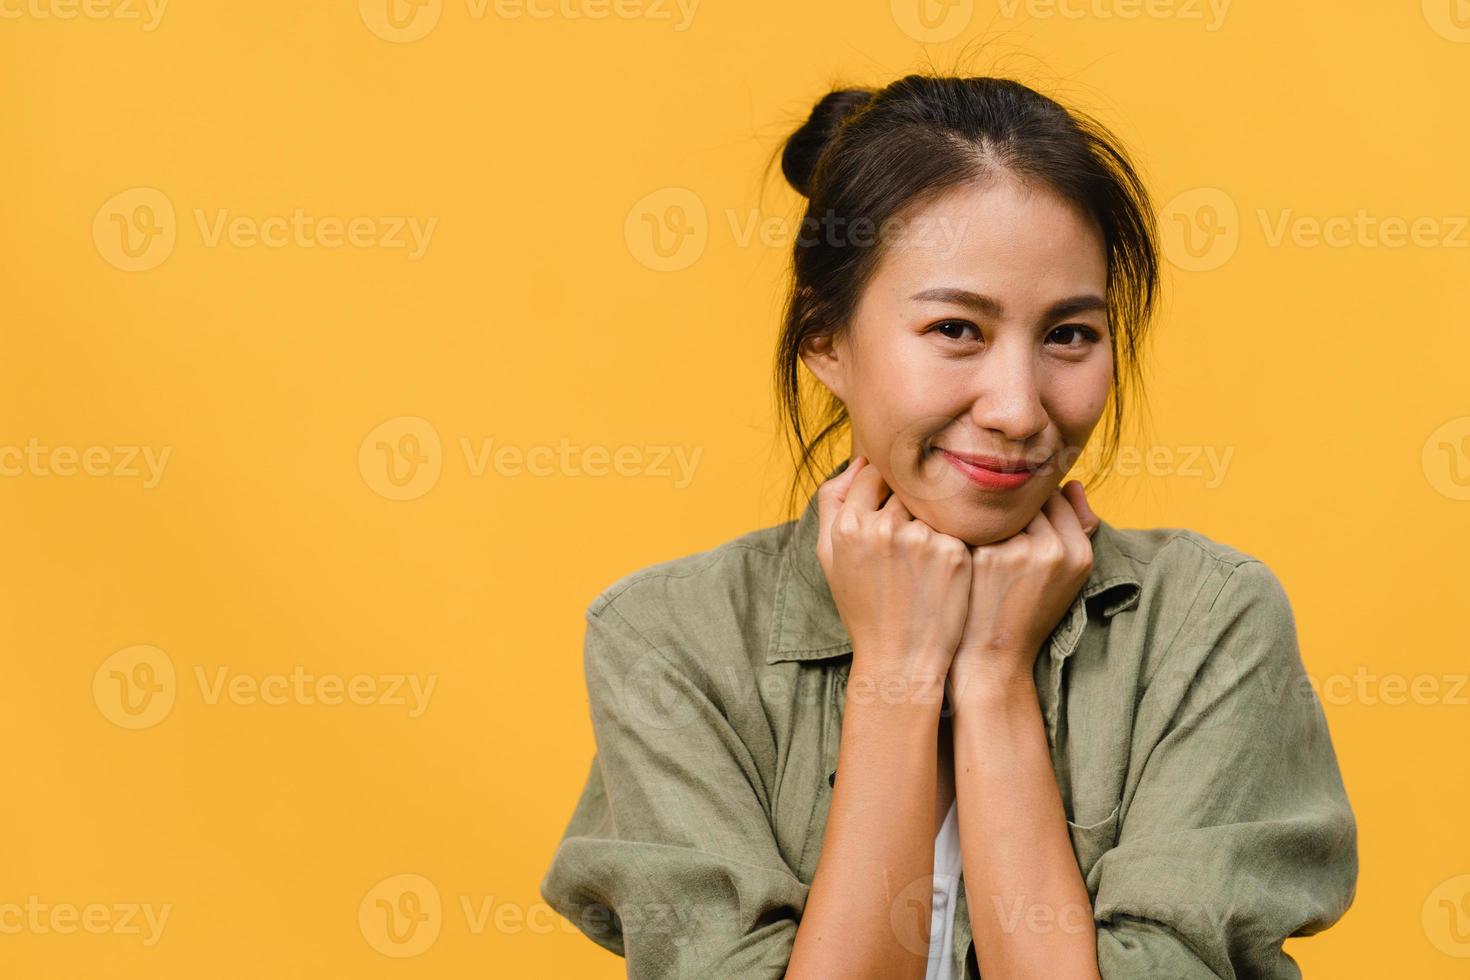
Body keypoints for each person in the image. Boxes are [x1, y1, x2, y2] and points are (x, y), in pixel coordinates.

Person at [541, 73, 1357, 979]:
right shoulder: (670, 640)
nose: (1017, 408)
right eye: (957, 329)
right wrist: (896, 670)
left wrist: (996, 673)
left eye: (1071, 335)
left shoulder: (1209, 623)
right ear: (826, 342)